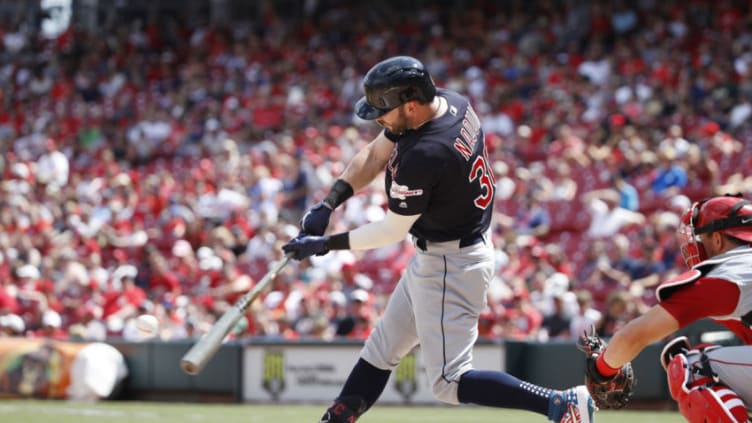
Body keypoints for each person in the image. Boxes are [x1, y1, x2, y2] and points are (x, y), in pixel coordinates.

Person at [282, 56, 594, 423]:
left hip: (452, 263)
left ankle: (561, 403)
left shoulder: (428, 152)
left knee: (449, 381)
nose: (378, 119)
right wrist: (329, 201)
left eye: (384, 110)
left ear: (410, 105)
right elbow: (375, 154)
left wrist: (325, 245)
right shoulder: (449, 102)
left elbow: (392, 230)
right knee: (381, 348)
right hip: (441, 254)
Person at [584, 195, 752, 422]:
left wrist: (602, 369)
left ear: (718, 238)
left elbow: (635, 335)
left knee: (693, 366)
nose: (695, 243)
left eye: (701, 236)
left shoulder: (729, 273)